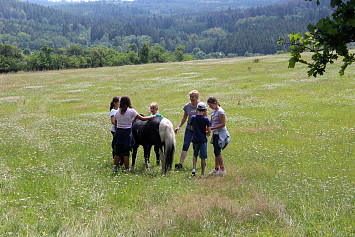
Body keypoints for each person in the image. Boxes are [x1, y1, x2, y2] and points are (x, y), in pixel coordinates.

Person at [113, 96, 155, 173]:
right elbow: (142, 118)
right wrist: (152, 117)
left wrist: (117, 132)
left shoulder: (117, 112)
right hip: (127, 133)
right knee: (126, 153)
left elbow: (115, 124)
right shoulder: (131, 111)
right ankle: (127, 169)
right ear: (129, 102)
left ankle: (115, 168)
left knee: (117, 152)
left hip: (118, 133)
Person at [174, 90, 207, 169]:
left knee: (199, 146)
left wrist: (206, 129)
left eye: (193, 97)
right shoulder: (187, 106)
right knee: (186, 144)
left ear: (197, 98)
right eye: (190, 97)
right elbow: (184, 117)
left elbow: (205, 118)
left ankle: (203, 163)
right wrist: (179, 126)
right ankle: (180, 164)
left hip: (198, 130)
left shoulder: (201, 106)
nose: (191, 98)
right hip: (189, 129)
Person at [207, 96, 230, 175]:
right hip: (215, 133)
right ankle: (216, 168)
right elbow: (211, 121)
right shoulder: (213, 111)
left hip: (221, 133)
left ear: (215, 103)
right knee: (216, 151)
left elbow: (223, 124)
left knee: (217, 151)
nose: (210, 107)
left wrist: (212, 128)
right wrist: (208, 127)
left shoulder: (220, 111)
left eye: (210, 105)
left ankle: (223, 169)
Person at [190, 102, 211, 177]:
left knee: (195, 154)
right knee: (203, 157)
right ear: (205, 110)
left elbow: (192, 128)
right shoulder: (206, 119)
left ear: (197, 109)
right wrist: (207, 133)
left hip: (195, 139)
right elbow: (209, 131)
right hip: (202, 140)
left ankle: (194, 168)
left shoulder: (193, 117)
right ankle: (202, 173)